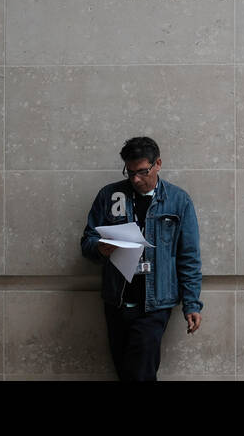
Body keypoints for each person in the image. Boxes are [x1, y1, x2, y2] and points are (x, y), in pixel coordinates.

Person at [80, 136, 203, 380]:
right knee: (126, 372)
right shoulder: (109, 195)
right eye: (130, 172)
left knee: (140, 373)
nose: (136, 179)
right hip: (117, 300)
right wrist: (99, 248)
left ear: (157, 164)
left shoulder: (178, 200)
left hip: (156, 303)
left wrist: (191, 303)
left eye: (142, 171)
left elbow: (189, 257)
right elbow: (87, 242)